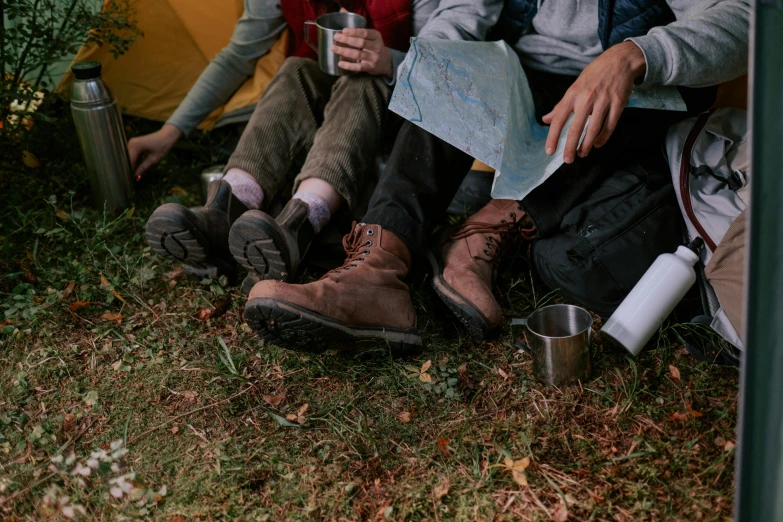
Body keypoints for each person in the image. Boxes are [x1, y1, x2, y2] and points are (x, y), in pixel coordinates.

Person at [243, 0, 750, 353]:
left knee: (640, 105)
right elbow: (459, 18)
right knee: (446, 68)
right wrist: (437, 74)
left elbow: (745, 18)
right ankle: (376, 272)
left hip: (628, 89)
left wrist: (634, 55)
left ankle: (482, 232)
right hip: (521, 76)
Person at [141, 0, 442, 286]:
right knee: (294, 70)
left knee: (362, 79)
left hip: (395, 124)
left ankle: (301, 223)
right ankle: (227, 212)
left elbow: (444, 65)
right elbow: (238, 56)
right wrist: (169, 132)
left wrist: (391, 61)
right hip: (323, 129)